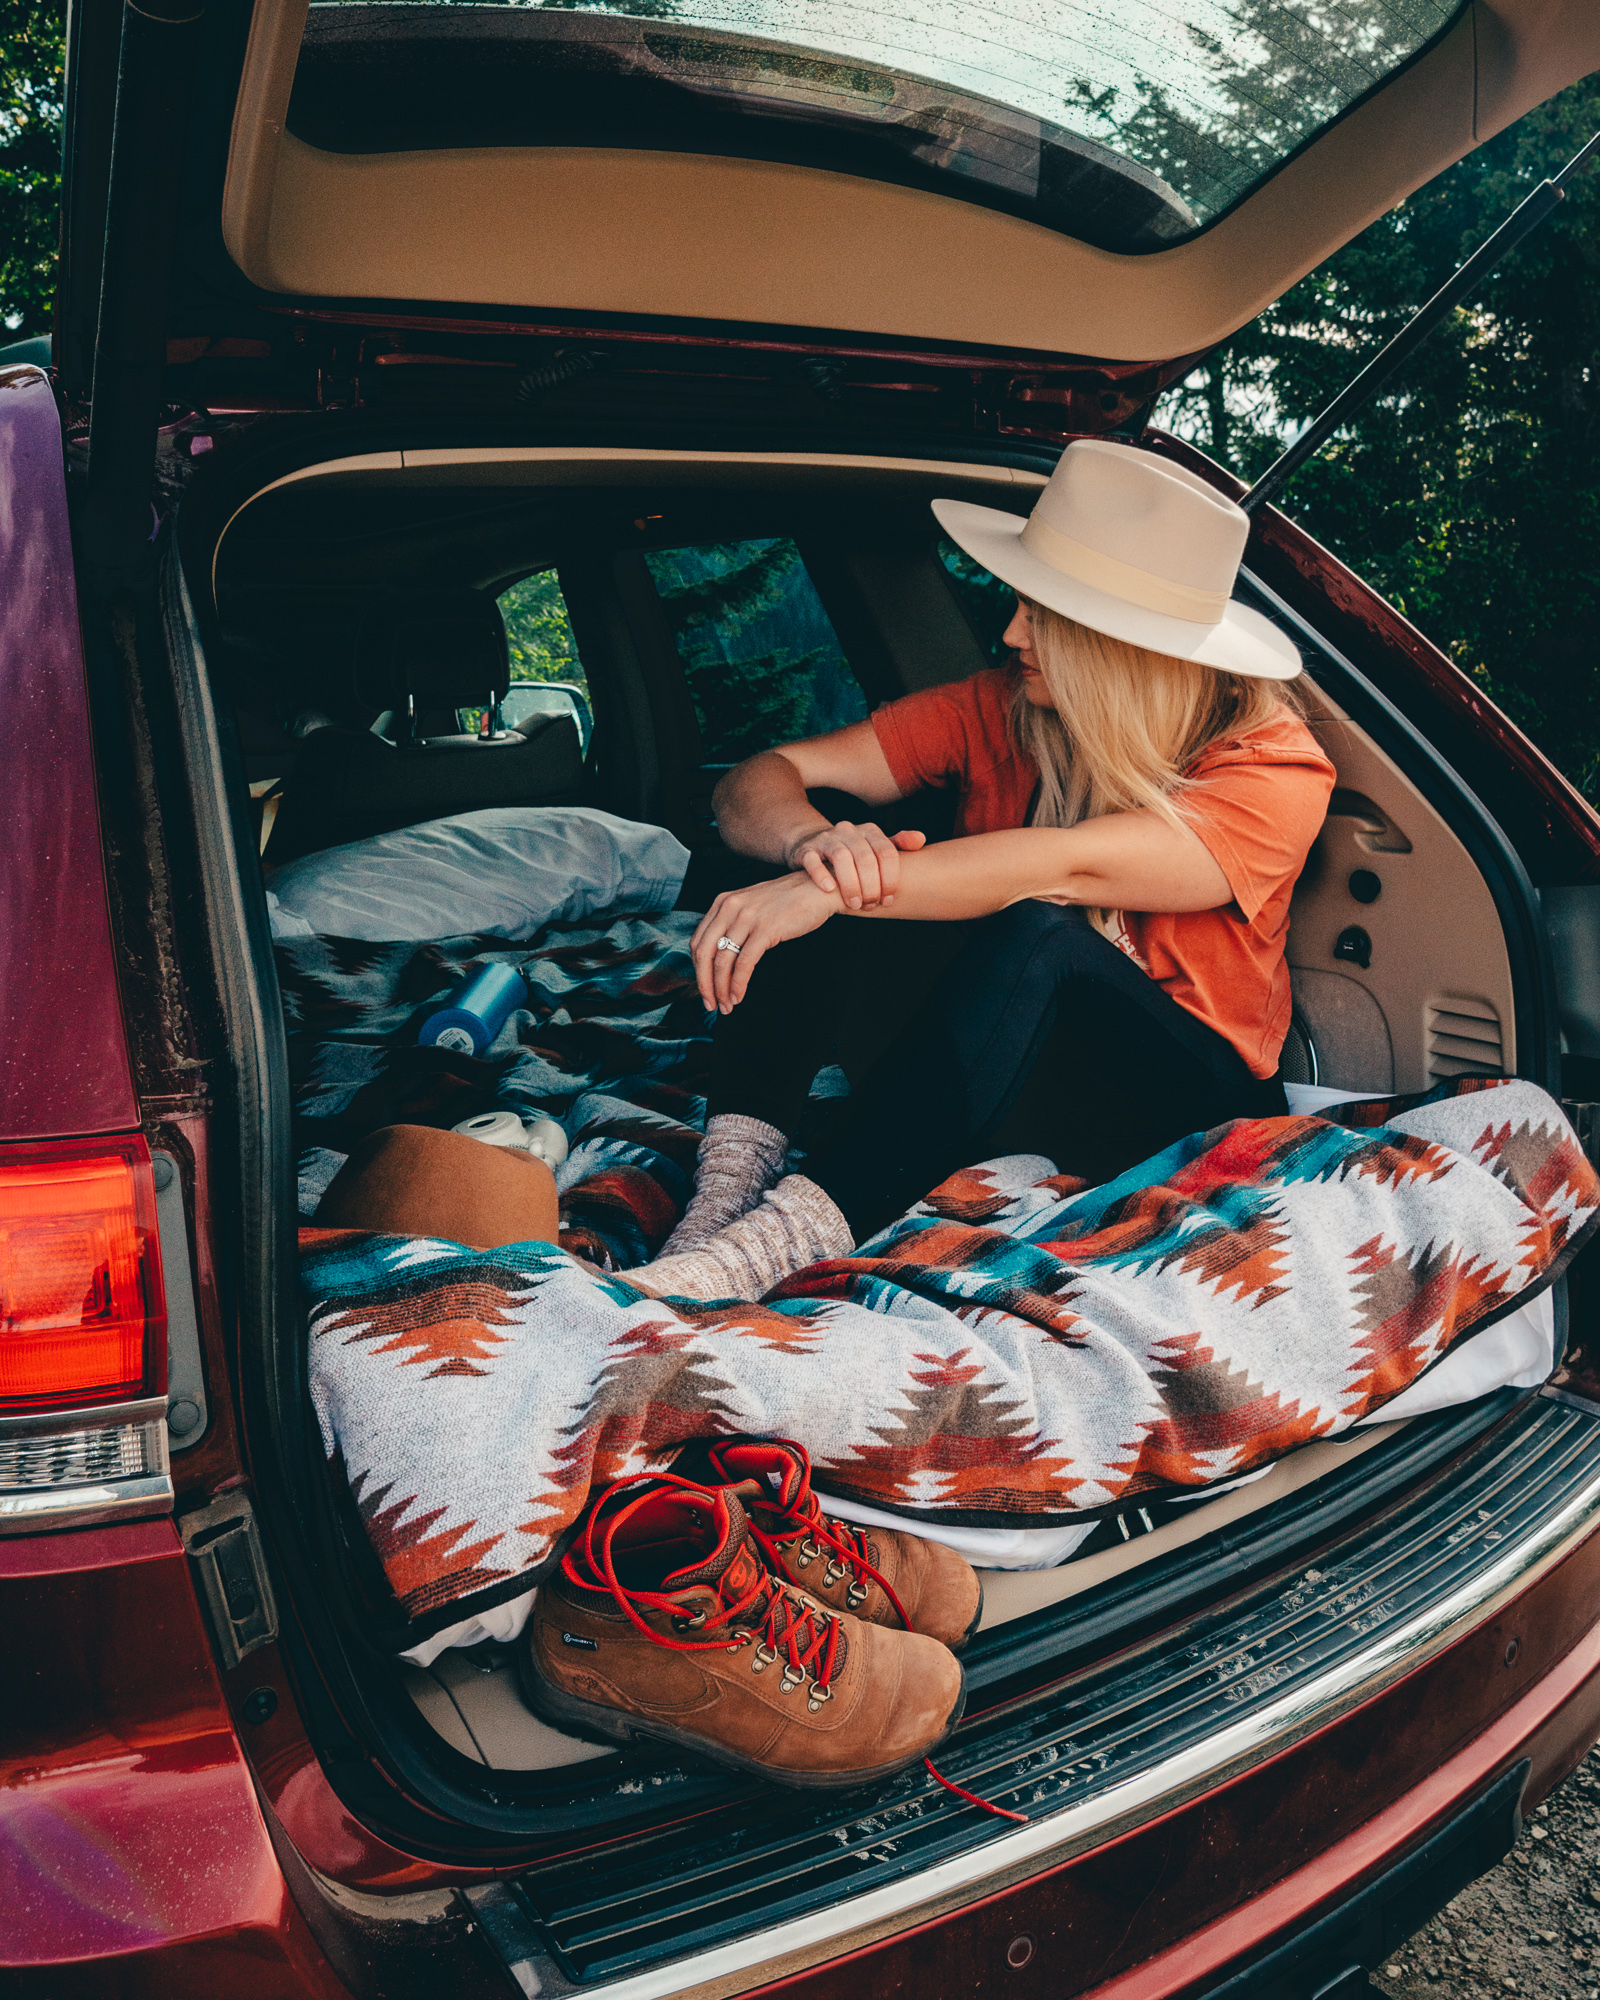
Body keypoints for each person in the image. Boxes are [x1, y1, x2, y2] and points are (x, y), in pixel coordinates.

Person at [629, 437, 1338, 1301]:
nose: (1010, 632)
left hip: (1180, 1109)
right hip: (1003, 1063)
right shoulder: (1000, 707)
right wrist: (812, 849)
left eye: (1043, 613)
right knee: (849, 855)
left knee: (1028, 928)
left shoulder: (1272, 767)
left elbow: (1065, 866)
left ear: (1122, 644)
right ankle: (725, 1198)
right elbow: (758, 781)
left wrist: (821, 890)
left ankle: (776, 1246)